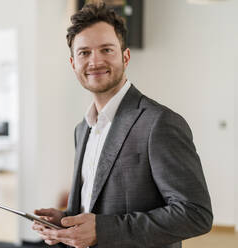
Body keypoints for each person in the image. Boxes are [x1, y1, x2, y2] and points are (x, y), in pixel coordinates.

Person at [32, 3, 213, 248]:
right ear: (73, 63)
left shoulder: (159, 123)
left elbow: (195, 214)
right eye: (84, 53)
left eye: (106, 50)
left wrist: (102, 230)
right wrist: (65, 219)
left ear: (125, 56)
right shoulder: (82, 129)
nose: (95, 61)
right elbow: (96, 206)